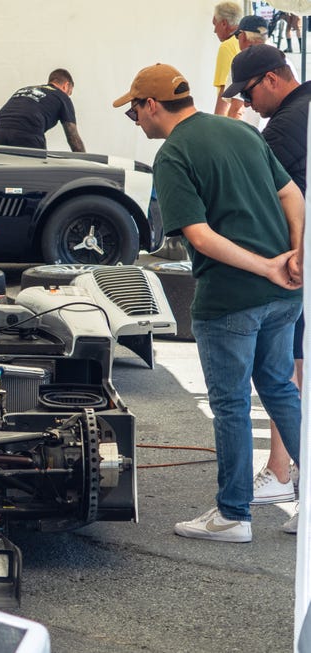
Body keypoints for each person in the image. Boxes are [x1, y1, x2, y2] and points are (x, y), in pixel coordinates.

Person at [113, 63, 303, 542]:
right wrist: (295, 254)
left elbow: (199, 235)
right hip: (286, 293)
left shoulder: (174, 154)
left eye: (134, 112)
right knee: (280, 388)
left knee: (233, 404)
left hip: (230, 299)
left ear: (151, 104)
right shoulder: (241, 131)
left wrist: (264, 265)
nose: (137, 121)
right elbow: (293, 194)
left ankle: (234, 515)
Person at [224, 44, 310, 529]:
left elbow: (263, 195)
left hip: (294, 264)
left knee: (286, 376)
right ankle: (282, 469)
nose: (249, 102)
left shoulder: (285, 125)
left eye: (250, 91)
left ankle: (290, 477)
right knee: (290, 373)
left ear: (274, 78)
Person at [0, 69, 85, 152]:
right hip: (27, 135)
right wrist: (85, 165)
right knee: (37, 171)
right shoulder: (62, 96)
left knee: (7, 171)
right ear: (66, 85)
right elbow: (73, 137)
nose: (68, 95)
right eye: (69, 92)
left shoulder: (24, 89)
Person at [212, 2, 244, 118]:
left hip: (234, 116)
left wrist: (217, 124)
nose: (214, 31)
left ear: (224, 23)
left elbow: (225, 90)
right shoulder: (245, 41)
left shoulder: (227, 46)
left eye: (215, 24)